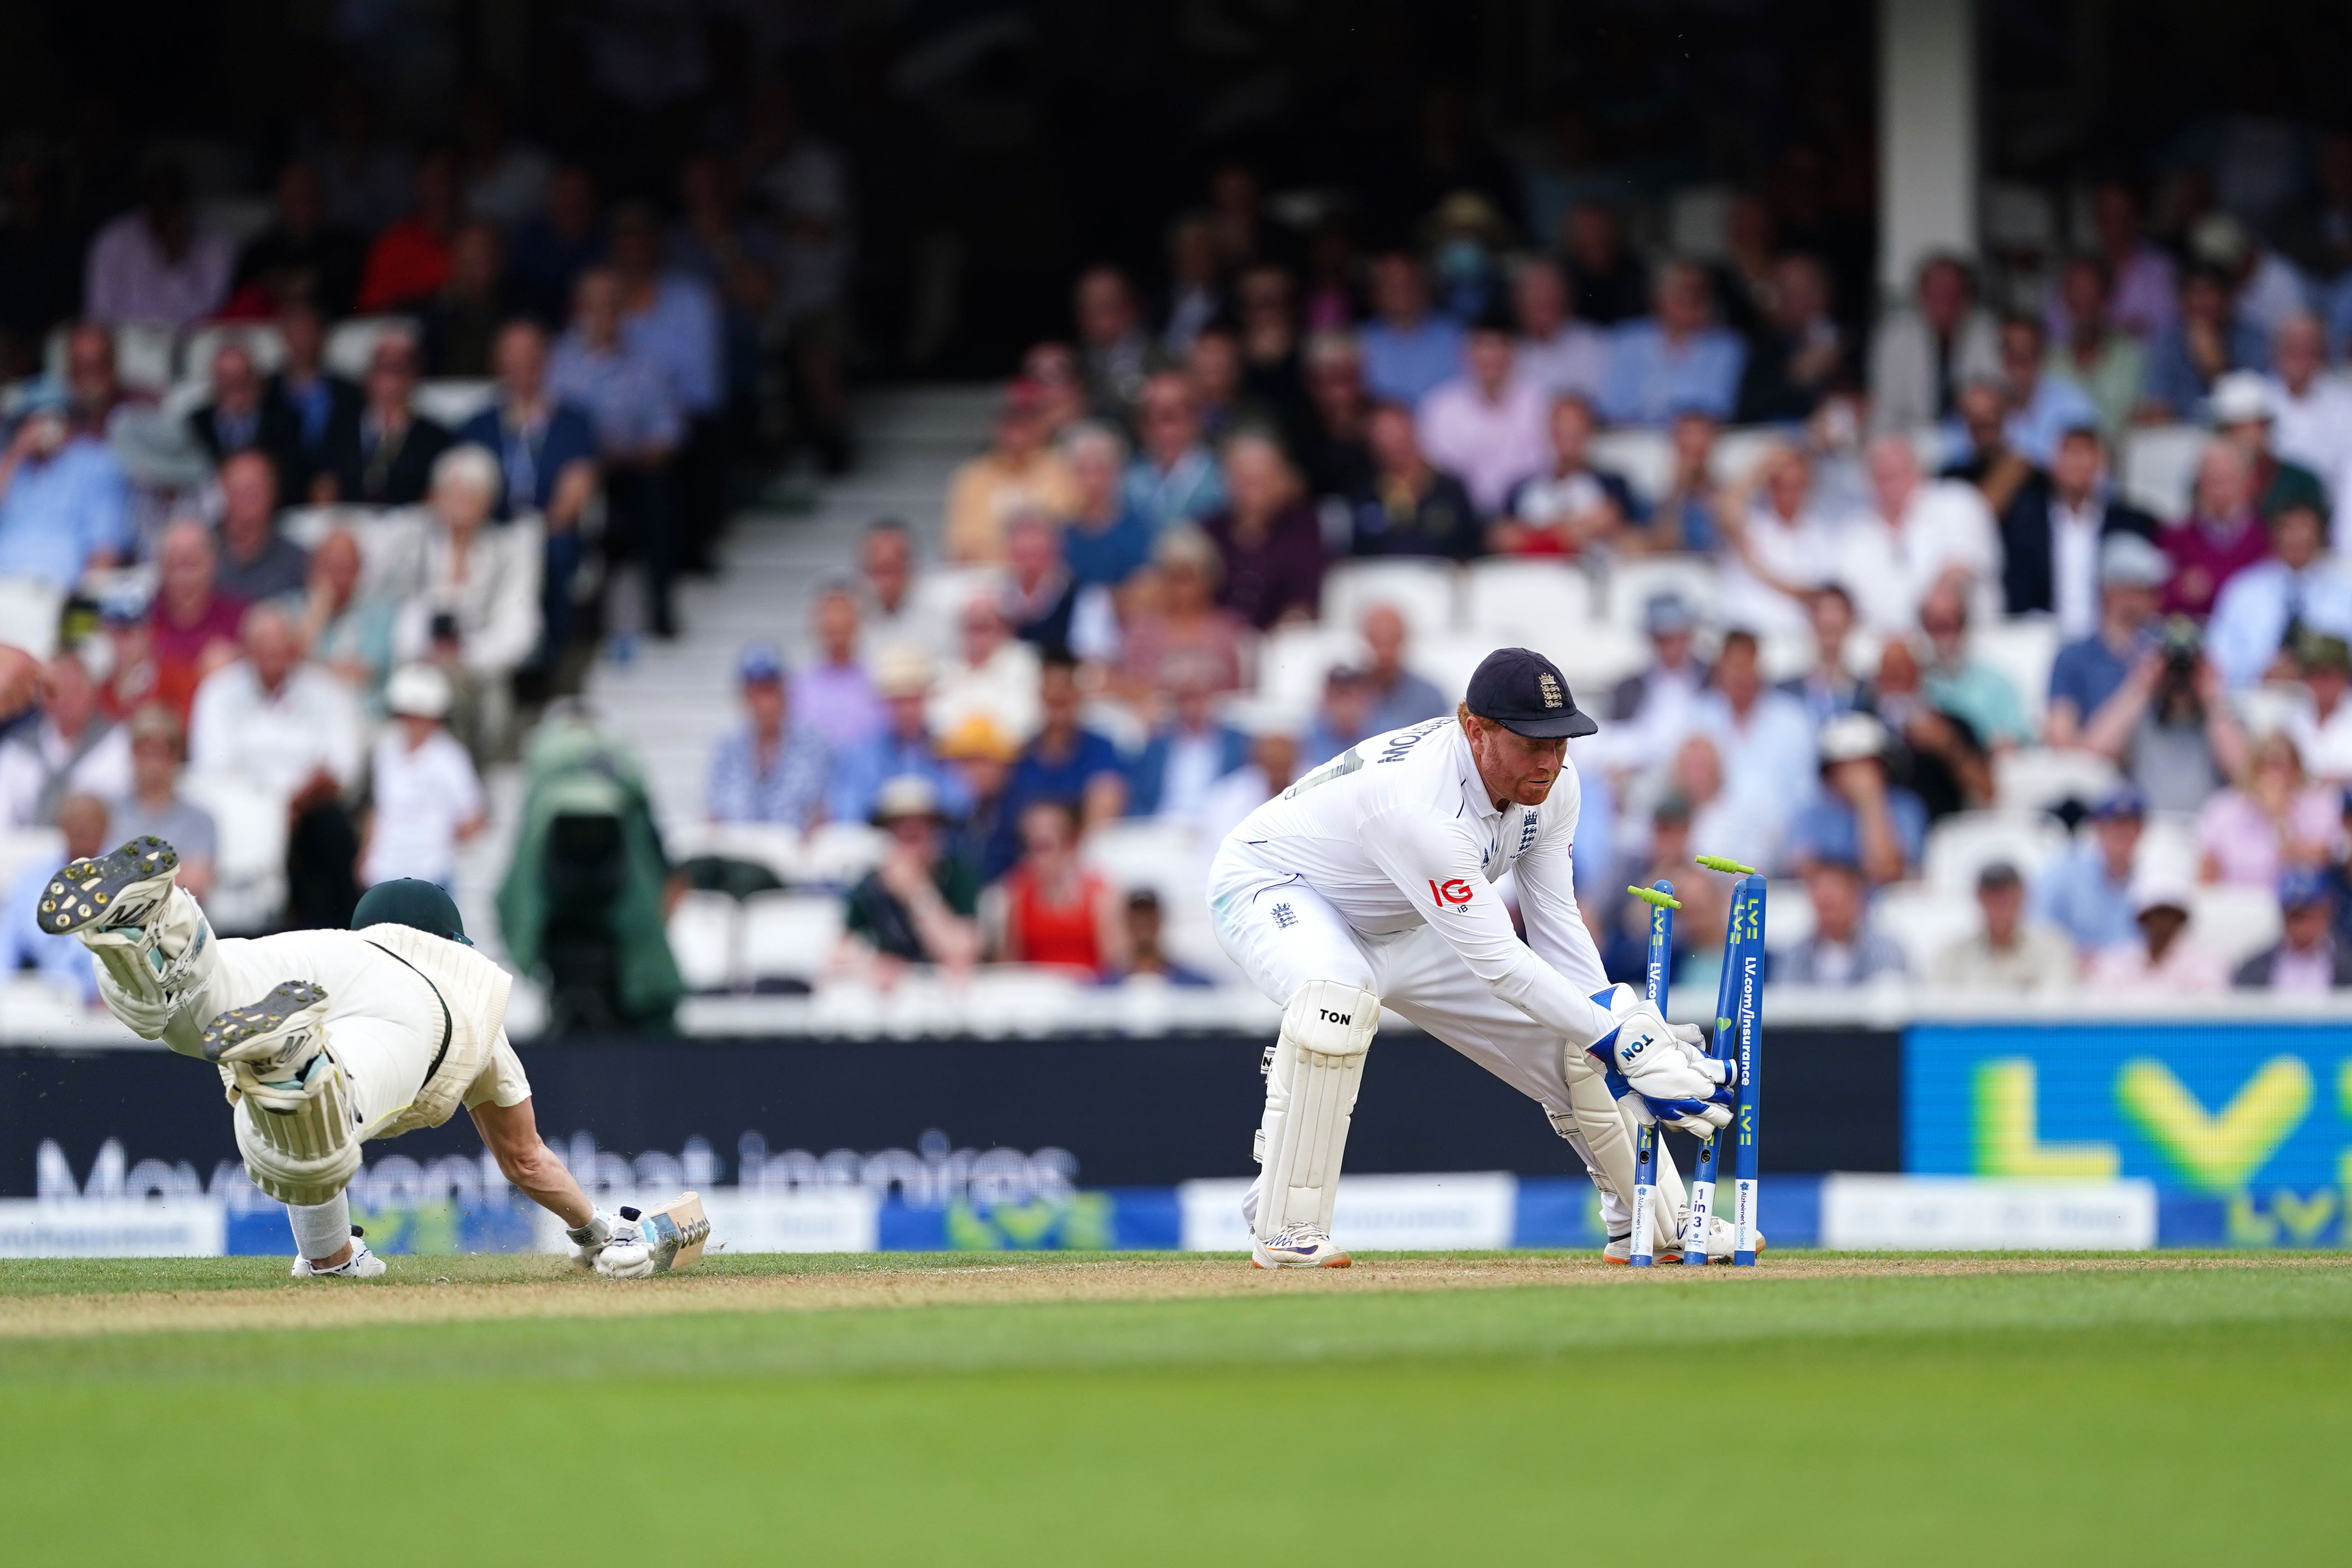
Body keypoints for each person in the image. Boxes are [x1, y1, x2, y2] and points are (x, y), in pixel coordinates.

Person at [1207, 647, 1744, 1269]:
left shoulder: (1555, 787)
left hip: (1403, 914)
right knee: (1337, 997)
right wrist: (1624, 1043)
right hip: (1276, 887)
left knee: (1572, 1041)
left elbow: (1556, 928)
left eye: (1559, 742)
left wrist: (1620, 1033)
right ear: (1474, 728)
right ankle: (1284, 1226)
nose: (1547, 761)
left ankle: (1654, 1224)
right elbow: (1503, 966)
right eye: (1528, 744)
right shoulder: (1419, 806)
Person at [45, 845, 665, 1279]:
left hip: (319, 964)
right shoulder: (460, 984)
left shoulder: (345, 945)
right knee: (314, 1107)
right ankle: (300, 1061)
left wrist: (331, 1257)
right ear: (453, 941)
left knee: (198, 998)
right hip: (420, 1011)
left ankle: (154, 926)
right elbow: (525, 1158)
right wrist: (594, 1231)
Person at [188, 603, 366, 931]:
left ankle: (335, 936)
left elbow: (344, 768)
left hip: (311, 811)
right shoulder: (218, 692)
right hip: (241, 814)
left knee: (333, 832)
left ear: (296, 647)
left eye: (280, 647)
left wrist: (294, 805)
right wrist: (272, 810)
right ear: (246, 649)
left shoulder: (327, 691)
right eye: (263, 648)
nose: (273, 656)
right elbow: (212, 769)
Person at [550, 268, 683, 644]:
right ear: (580, 309)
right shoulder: (559, 361)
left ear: (624, 310)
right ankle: (579, 626)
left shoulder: (647, 364)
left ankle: (660, 608)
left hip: (629, 470)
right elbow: (546, 423)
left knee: (660, 493)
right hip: (571, 474)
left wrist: (621, 455)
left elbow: (666, 436)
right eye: (595, 304)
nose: (603, 312)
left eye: (612, 304)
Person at [456, 319, 600, 658]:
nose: (521, 363)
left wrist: (530, 534)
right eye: (512, 355)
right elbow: (463, 488)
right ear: (497, 362)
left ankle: (549, 654)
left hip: (547, 529)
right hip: (488, 528)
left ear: (545, 360)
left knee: (557, 548)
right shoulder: (477, 425)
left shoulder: (573, 424)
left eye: (529, 354)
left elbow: (574, 495)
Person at [392, 445, 543, 759]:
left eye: (470, 495)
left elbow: (520, 630)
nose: (459, 504)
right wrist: (426, 653)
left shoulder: (509, 553)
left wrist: (463, 656)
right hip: (418, 667)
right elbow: (400, 614)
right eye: (452, 493)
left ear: (488, 502)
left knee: (457, 697)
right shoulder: (413, 547)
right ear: (435, 498)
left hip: (479, 677)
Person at [2082, 613, 2249, 815]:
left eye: (2189, 665)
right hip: (2147, 833)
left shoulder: (2225, 717)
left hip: (2205, 833)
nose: (2180, 674)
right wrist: (2141, 685)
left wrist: (2212, 697)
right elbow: (2092, 754)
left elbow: (2245, 772)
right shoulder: (2139, 715)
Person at [2000, 424, 2160, 632]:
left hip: (2109, 642)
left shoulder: (2131, 523)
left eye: (2085, 453)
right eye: (2069, 453)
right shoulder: (2023, 524)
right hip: (2042, 639)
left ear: (2103, 465)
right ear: (2053, 463)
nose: (2077, 463)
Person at [986, 652, 1127, 880]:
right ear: (1039, 695)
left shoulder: (1100, 749)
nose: (1057, 696)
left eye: (1065, 691)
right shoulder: (1021, 755)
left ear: (1078, 695)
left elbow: (1105, 809)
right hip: (1025, 870)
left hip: (1081, 872)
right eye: (1051, 693)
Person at [1694, 628, 1820, 871]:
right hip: (1712, 846)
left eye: (1746, 665)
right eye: (1732, 666)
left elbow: (1805, 796)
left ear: (1759, 666)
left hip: (1778, 849)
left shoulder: (1792, 719)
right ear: (1720, 669)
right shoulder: (1700, 715)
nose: (1739, 675)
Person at [839, 775, 981, 983]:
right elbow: (836, 953)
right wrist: (872, 961)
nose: (910, 834)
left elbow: (960, 952)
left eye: (919, 828)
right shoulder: (871, 883)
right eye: (899, 828)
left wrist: (917, 893)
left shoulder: (957, 874)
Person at [358, 664, 485, 891]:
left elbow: (473, 820)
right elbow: (379, 809)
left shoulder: (451, 758)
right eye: (408, 716)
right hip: (383, 873)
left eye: (421, 717)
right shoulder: (385, 750)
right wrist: (365, 855)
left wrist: (435, 837)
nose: (414, 724)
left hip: (431, 876)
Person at [1415, 309, 1550, 516]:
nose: (1490, 357)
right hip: (1461, 515)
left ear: (1514, 352)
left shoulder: (1541, 403)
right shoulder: (1439, 407)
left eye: (1499, 347)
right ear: (1465, 353)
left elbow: (1546, 467)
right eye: (1482, 346)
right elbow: (1437, 474)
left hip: (1529, 512)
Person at [2207, 502, 2352, 689]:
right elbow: (2217, 659)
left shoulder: (2344, 592)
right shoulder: (2243, 590)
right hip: (2253, 703)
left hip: (2328, 710)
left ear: (2320, 535)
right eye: (2289, 529)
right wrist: (2260, 673)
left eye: (2305, 529)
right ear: (2275, 534)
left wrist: (2314, 674)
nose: (2297, 539)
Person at [1863, 433, 2001, 630]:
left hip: (1962, 644)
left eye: (1896, 473)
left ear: (1918, 469)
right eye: (1881, 476)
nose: (1890, 485)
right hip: (1884, 651)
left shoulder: (1956, 501)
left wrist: (1939, 602)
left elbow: (1961, 569)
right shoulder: (1858, 531)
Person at [0, 383, 131, 590]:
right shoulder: (10, 463)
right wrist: (18, 451)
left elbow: (105, 548)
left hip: (61, 595)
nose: (44, 428)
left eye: (54, 419)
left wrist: (84, 605)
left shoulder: (96, 463)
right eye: (35, 419)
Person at [2046, 534, 2169, 749]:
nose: (2154, 600)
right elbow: (2063, 740)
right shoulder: (2074, 657)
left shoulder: (2167, 649)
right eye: (2143, 591)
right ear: (2112, 593)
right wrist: (2141, 686)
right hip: (2098, 776)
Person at [83, 159, 234, 325]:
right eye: (159, 198)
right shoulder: (112, 241)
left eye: (173, 199)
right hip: (125, 344)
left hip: (192, 344)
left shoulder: (216, 245)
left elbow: (216, 320)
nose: (165, 209)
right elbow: (98, 315)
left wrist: (176, 261)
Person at [1784, 712, 1928, 886]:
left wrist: (1871, 802)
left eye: (1865, 764)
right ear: (1830, 773)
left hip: (1890, 907)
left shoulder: (1906, 807)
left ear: (1883, 768)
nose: (1856, 774)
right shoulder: (1811, 814)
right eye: (1846, 766)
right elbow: (1805, 871)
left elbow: (1889, 871)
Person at [945, 380, 1078, 566]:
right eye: (1011, 423)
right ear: (995, 427)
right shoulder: (974, 476)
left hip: (1048, 575)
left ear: (1039, 425)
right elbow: (963, 544)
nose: (1017, 433)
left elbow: (1067, 530)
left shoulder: (1060, 469)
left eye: (1025, 423)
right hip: (988, 576)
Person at [1597, 260, 1746, 427]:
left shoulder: (1728, 346)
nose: (1691, 297)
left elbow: (1719, 408)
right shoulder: (1625, 341)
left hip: (1699, 445)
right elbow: (1613, 409)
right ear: (1657, 297)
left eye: (1699, 292)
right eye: (1682, 290)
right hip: (1634, 444)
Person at [315, 332, 452, 509]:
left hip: (409, 528)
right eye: (382, 370)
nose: (390, 382)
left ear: (413, 377)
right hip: (348, 526)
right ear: (368, 377)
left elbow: (436, 495)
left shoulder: (435, 438)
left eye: (399, 371)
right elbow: (324, 486)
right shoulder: (340, 430)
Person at [989, 798, 1124, 977]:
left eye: (1044, 848)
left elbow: (1115, 966)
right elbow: (1009, 967)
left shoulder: (1100, 898)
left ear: (1069, 845)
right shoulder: (1019, 894)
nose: (1035, 859)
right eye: (1028, 848)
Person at [1867, 253, 2001, 432]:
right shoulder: (1895, 335)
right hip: (1911, 438)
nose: (1946, 300)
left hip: (1974, 436)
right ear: (1921, 294)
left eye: (1953, 292)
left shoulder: (1988, 330)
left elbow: (1994, 394)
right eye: (1937, 292)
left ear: (1967, 295)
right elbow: (1886, 406)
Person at [0, 649, 130, 831]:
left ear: (92, 693)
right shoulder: (16, 748)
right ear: (44, 697)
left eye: (75, 689)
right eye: (58, 691)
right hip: (24, 849)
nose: (67, 699)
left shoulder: (118, 743)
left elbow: (123, 810)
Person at [705, 642, 830, 830]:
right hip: (738, 851)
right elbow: (714, 814)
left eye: (771, 692)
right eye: (756, 693)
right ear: (743, 697)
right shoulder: (728, 749)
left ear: (786, 694)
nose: (765, 704)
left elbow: (821, 814)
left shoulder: (814, 747)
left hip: (795, 853)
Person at [1202, 435, 1324, 628]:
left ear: (1282, 480)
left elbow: (1304, 599)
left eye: (1261, 481)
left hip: (1281, 642)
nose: (1252, 492)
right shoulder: (1208, 531)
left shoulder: (1303, 528)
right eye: (1244, 481)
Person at [1495, 394, 1639, 556]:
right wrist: (1569, 531)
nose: (1569, 431)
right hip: (1531, 577)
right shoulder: (1522, 489)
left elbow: (1621, 530)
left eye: (1576, 425)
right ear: (1550, 431)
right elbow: (1504, 537)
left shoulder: (1613, 486)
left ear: (1590, 430)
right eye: (1562, 424)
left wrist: (1534, 532)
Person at [2194, 730, 2340, 889]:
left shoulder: (2316, 806)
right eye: (2268, 765)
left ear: (2298, 769)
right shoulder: (2223, 810)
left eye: (2285, 766)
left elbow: (2321, 863)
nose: (2277, 776)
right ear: (2253, 769)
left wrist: (2279, 818)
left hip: (2293, 905)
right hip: (2234, 904)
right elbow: (2206, 876)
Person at [1, 792, 108, 1001]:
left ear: (106, 827)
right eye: (74, 821)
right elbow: (8, 943)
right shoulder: (31, 881)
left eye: (90, 822)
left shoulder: (130, 880)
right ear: (62, 827)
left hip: (116, 1004)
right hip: (48, 1002)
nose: (82, 829)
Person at [108, 705, 217, 905]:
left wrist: (127, 879)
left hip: (179, 928)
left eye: (162, 752)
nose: (153, 764)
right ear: (132, 755)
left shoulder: (199, 820)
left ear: (177, 757)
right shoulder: (108, 814)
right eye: (145, 752)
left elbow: (194, 886)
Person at [228, 159, 365, 318]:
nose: (299, 203)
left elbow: (357, 302)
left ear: (320, 196)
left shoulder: (347, 245)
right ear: (279, 200)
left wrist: (313, 282)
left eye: (306, 193)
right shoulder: (259, 253)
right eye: (291, 195)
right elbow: (240, 306)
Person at [145, 520, 248, 723]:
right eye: (175, 564)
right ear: (161, 567)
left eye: (192, 564)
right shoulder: (142, 619)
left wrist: (240, 659)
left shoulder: (240, 617)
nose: (184, 577)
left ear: (213, 563)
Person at [1349, 402, 1480, 560]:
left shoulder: (1450, 490)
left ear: (1413, 431)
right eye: (1383, 435)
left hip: (1440, 580)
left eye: (1397, 432)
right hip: (1381, 581)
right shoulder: (1363, 495)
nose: (1392, 441)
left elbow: (1471, 548)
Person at [2138, 265, 2268, 423]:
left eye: (2209, 292)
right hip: (2183, 438)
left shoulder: (2253, 339)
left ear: (2228, 297)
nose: (2202, 302)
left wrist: (2217, 370)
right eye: (2194, 292)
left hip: (2236, 435)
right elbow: (2156, 405)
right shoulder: (2167, 343)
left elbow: (2254, 409)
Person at [1127, 658, 1249, 823]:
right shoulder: (1157, 746)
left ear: (1212, 697)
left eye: (1200, 697)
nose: (1193, 706)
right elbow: (1141, 796)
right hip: (1164, 824)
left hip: (1219, 824)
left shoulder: (1238, 743)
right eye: (1186, 698)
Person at [2161, 440, 2270, 621]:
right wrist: (2181, 589)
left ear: (2248, 483)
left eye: (2226, 480)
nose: (2219, 491)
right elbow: (2157, 596)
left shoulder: (2267, 538)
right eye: (2211, 481)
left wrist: (2214, 585)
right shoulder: (2174, 537)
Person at [2032, 785, 2147, 956]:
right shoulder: (2061, 872)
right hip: (2072, 975)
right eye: (2115, 824)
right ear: (2098, 828)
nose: (2123, 833)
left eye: (2130, 825)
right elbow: (2039, 931)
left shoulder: (2153, 880)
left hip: (2133, 977)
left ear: (2141, 830)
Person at [1918, 581, 2032, 751]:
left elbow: (2020, 735)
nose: (1943, 638)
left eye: (1949, 626)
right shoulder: (1914, 683)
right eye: (1935, 627)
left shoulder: (1997, 682)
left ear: (1965, 625)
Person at [1736, 253, 1847, 425]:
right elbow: (1749, 408)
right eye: (1789, 292)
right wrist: (1795, 375)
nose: (1798, 301)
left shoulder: (1846, 340)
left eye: (1806, 290)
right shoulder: (1761, 344)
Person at [2044, 255, 2146, 439]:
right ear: (2066, 299)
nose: (2084, 298)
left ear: (2106, 298)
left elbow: (2145, 418)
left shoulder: (2133, 356)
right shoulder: (2049, 363)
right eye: (2076, 289)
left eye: (2091, 289)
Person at [1931, 861, 2075, 992]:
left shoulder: (2053, 950)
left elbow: (2055, 1008)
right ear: (1979, 900)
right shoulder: (1952, 957)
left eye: (2008, 900)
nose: (2001, 909)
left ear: (2023, 898)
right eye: (1994, 901)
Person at [265, 302, 361, 499]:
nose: (303, 340)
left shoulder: (351, 393)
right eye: (296, 332)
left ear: (322, 336)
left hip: (341, 492)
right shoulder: (265, 391)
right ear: (285, 337)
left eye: (309, 331)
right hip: (278, 492)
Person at [299, 529, 399, 712]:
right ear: (313, 568)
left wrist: (308, 669)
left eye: (344, 569)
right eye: (329, 568)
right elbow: (282, 669)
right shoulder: (289, 609)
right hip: (301, 716)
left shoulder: (380, 616)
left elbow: (360, 674)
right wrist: (315, 618)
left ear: (360, 571)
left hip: (361, 717)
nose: (336, 579)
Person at [2208, 372, 2329, 522]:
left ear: (2265, 427)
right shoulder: (2208, 483)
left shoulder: (2301, 482)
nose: (2240, 437)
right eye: (2231, 429)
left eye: (2246, 427)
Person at [187, 344, 304, 499]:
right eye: (227, 378)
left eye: (241, 376)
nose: (235, 384)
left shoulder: (284, 422)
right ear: (215, 381)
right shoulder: (195, 423)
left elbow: (294, 479)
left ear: (256, 378)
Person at [999, 513, 1116, 662]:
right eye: (1022, 555)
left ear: (1057, 552)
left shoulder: (1087, 597)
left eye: (1037, 555)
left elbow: (1096, 660)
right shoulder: (997, 598)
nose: (1029, 565)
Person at [1775, 858, 1910, 987]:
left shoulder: (1886, 952)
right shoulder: (1795, 955)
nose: (1829, 914)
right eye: (1823, 907)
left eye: (1833, 905)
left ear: (1857, 897)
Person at [2086, 874, 2227, 996]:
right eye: (2156, 914)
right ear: (2143, 918)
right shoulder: (2117, 960)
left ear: (2181, 919)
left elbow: (2208, 1010)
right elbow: (2102, 1005)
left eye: (2170, 914)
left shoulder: (2205, 963)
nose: (2162, 922)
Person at [929, 596, 1042, 748]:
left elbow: (1030, 718)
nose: (978, 637)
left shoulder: (1024, 662)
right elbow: (937, 720)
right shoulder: (945, 669)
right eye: (972, 628)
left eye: (985, 628)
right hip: (955, 758)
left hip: (1013, 756)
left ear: (1004, 629)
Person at [355, 147, 459, 312]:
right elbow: (372, 312)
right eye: (433, 179)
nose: (441, 189)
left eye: (447, 178)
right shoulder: (393, 244)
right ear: (418, 184)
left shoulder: (477, 241)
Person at [1123, 371, 1226, 535]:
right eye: (1151, 416)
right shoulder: (1128, 480)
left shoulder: (1222, 478)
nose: (1163, 429)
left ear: (1195, 419)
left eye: (1171, 417)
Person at [1357, 252, 1463, 407]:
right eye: (1389, 284)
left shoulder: (1458, 336)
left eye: (1407, 283)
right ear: (1374, 292)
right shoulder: (1358, 341)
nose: (1400, 292)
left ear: (1425, 287)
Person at [1995, 314, 2100, 468]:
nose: (2019, 369)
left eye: (2026, 356)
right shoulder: (1988, 408)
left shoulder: (2074, 404)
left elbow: (2096, 475)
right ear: (2001, 358)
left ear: (2041, 355)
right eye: (2013, 356)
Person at [792, 584, 888, 752]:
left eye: (844, 611)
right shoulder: (797, 688)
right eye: (829, 613)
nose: (837, 621)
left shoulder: (881, 682)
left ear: (860, 621)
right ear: (815, 624)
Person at [1059, 422, 1153, 590]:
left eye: (1101, 470)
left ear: (1119, 474)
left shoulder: (1139, 531)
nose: (1092, 481)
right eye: (1083, 471)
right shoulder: (1060, 535)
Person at [211, 451, 309, 606]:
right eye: (239, 489)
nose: (247, 498)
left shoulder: (298, 561)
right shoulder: (199, 552)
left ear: (273, 493)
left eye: (254, 490)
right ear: (221, 491)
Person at [2233, 866, 2352, 990]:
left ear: (2327, 914)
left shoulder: (2347, 965)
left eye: (2310, 915)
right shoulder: (2253, 970)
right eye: (2295, 917)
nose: (2303, 926)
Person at [1510, 256, 1607, 401]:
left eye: (1549, 295)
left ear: (1565, 299)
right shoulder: (1510, 351)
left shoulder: (1591, 343)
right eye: (1534, 297)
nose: (1542, 302)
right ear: (1518, 304)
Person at [1073, 265, 1156, 424]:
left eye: (1108, 308)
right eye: (1090, 311)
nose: (1099, 321)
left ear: (1130, 309)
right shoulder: (1078, 359)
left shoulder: (1155, 356)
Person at [1779, 584, 1867, 728]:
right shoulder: (1786, 693)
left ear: (1851, 620)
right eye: (1822, 611)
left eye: (1837, 611)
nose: (1829, 620)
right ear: (1811, 619)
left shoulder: (1867, 695)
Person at [1359, 603, 1447, 733]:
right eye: (1377, 640)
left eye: (1392, 640)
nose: (1384, 651)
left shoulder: (1430, 698)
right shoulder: (1343, 694)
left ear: (1405, 640)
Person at [1117, 889, 1211, 986]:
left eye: (1149, 916)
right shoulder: (1108, 985)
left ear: (1160, 920)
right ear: (1126, 922)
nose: (1143, 922)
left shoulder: (1193, 984)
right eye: (1137, 917)